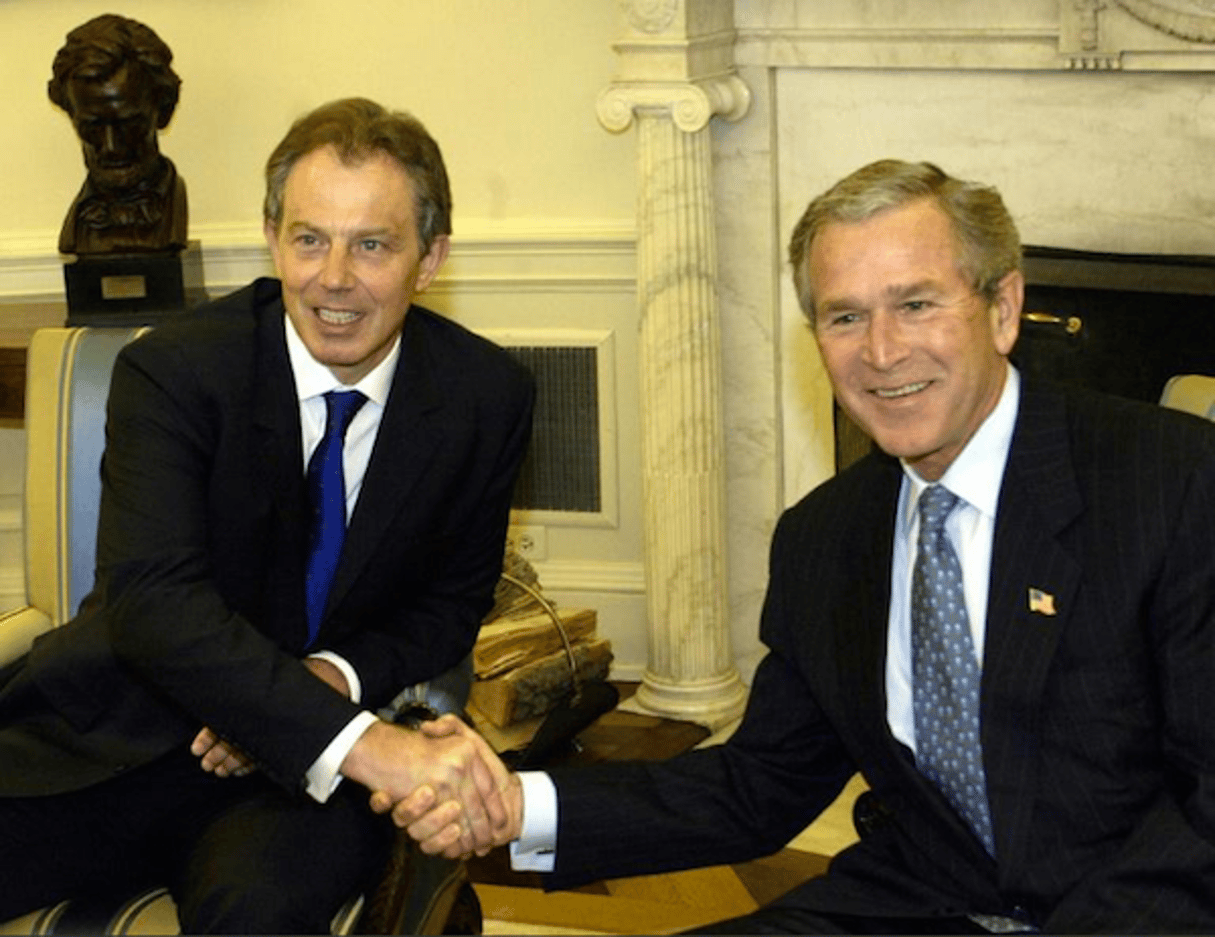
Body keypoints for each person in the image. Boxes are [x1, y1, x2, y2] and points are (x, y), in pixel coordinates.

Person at [398, 159, 1215, 933]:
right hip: (917, 902)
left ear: (1001, 309)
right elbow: (760, 783)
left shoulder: (1170, 484)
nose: (882, 351)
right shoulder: (826, 538)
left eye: (917, 304)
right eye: (845, 316)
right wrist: (515, 803)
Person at [0, 97, 530, 933]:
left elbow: (450, 605)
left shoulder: (484, 396)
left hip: (294, 791)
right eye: (309, 238)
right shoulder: (175, 370)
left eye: (373, 245)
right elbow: (154, 602)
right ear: (272, 237)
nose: (334, 277)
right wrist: (362, 740)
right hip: (112, 739)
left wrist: (333, 681)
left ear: (430, 258)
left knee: (257, 914)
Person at [48, 14, 189, 255]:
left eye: (129, 124)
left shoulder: (171, 211)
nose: (112, 147)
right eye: (92, 127)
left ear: (164, 111)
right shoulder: (78, 228)